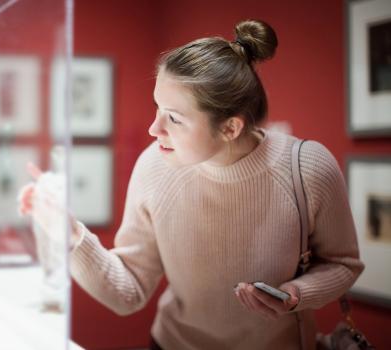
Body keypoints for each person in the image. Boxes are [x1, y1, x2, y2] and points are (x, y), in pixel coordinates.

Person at [19, 19, 364, 350]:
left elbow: (343, 265)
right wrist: (70, 235)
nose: (154, 130)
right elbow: (128, 292)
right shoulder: (154, 165)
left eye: (175, 118)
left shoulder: (307, 168)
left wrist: (294, 296)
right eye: (157, 107)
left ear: (230, 128)